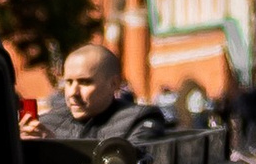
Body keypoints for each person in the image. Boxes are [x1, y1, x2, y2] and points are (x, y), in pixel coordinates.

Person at [24, 41, 163, 143]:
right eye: (69, 82)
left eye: (84, 82)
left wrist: (55, 149)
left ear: (113, 84)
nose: (73, 92)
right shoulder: (47, 123)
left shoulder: (138, 120)